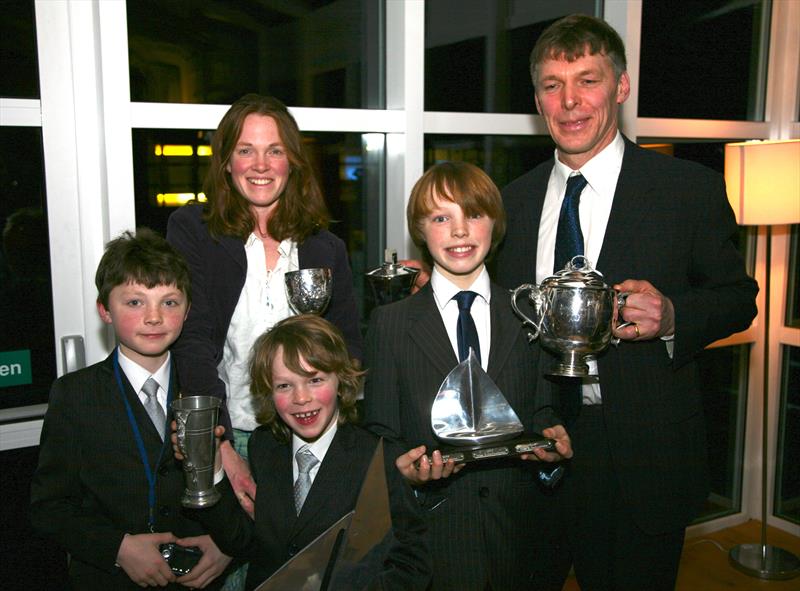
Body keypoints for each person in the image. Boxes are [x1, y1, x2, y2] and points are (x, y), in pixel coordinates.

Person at [490, 14, 759, 590]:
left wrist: (673, 317)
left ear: (621, 86)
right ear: (538, 98)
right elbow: (498, 314)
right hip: (532, 449)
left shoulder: (687, 191)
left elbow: (739, 298)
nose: (569, 102)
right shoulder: (510, 202)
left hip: (641, 456)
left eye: (587, 80)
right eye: (552, 85)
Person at [363, 161, 573, 591]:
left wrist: (552, 451)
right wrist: (408, 474)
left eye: (473, 215)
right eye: (442, 218)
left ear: (494, 225)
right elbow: (381, 433)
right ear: (421, 231)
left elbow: (541, 408)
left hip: (517, 537)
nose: (459, 232)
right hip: (433, 539)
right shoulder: (391, 323)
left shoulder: (527, 313)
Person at [166, 94, 363, 523]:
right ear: (226, 162)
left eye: (274, 150)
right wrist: (218, 445)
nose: (260, 164)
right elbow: (192, 338)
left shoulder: (324, 247)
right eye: (245, 150)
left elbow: (347, 345)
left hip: (309, 434)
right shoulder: (196, 232)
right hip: (231, 429)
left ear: (292, 161)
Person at [30, 228, 232, 590]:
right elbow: (49, 508)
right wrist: (118, 547)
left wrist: (227, 546)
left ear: (188, 310)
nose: (154, 317)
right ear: (105, 310)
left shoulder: (210, 391)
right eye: (135, 302)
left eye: (169, 302)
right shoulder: (74, 396)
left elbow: (245, 495)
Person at [185, 314, 431, 591]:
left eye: (314, 380)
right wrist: (213, 467)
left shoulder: (377, 455)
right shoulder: (264, 446)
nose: (301, 398)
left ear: (341, 378)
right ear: (268, 391)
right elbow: (246, 540)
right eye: (284, 385)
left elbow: (412, 562)